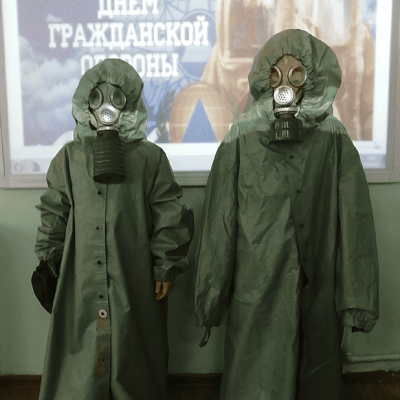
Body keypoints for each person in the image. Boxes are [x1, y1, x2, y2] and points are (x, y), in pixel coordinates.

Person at [195, 29, 378, 400]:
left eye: (297, 74)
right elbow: (220, 222)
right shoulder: (241, 136)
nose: (285, 85)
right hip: (257, 286)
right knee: (256, 374)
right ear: (265, 79)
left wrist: (357, 300)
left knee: (316, 369)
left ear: (313, 78)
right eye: (276, 74)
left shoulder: (333, 137)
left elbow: (354, 222)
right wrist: (210, 296)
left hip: (317, 288)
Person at [34, 59, 194, 400]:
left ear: (130, 104)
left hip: (132, 274)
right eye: (97, 97)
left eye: (117, 98)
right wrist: (49, 262)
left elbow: (168, 212)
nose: (107, 106)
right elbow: (54, 212)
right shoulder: (68, 158)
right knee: (80, 351)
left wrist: (166, 264)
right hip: (79, 277)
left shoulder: (150, 158)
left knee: (134, 347)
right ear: (85, 103)